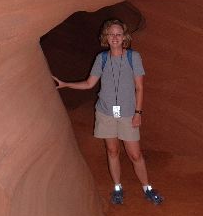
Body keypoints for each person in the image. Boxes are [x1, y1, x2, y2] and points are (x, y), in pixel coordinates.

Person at [52, 19, 163, 205]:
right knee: (112, 151)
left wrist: (138, 113)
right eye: (111, 34)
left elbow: (140, 88)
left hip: (127, 113)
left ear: (124, 37)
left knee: (135, 154)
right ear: (106, 37)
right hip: (106, 113)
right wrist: (66, 84)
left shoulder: (132, 57)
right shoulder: (101, 59)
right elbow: (89, 83)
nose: (115, 37)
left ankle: (147, 188)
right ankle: (118, 187)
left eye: (118, 34)